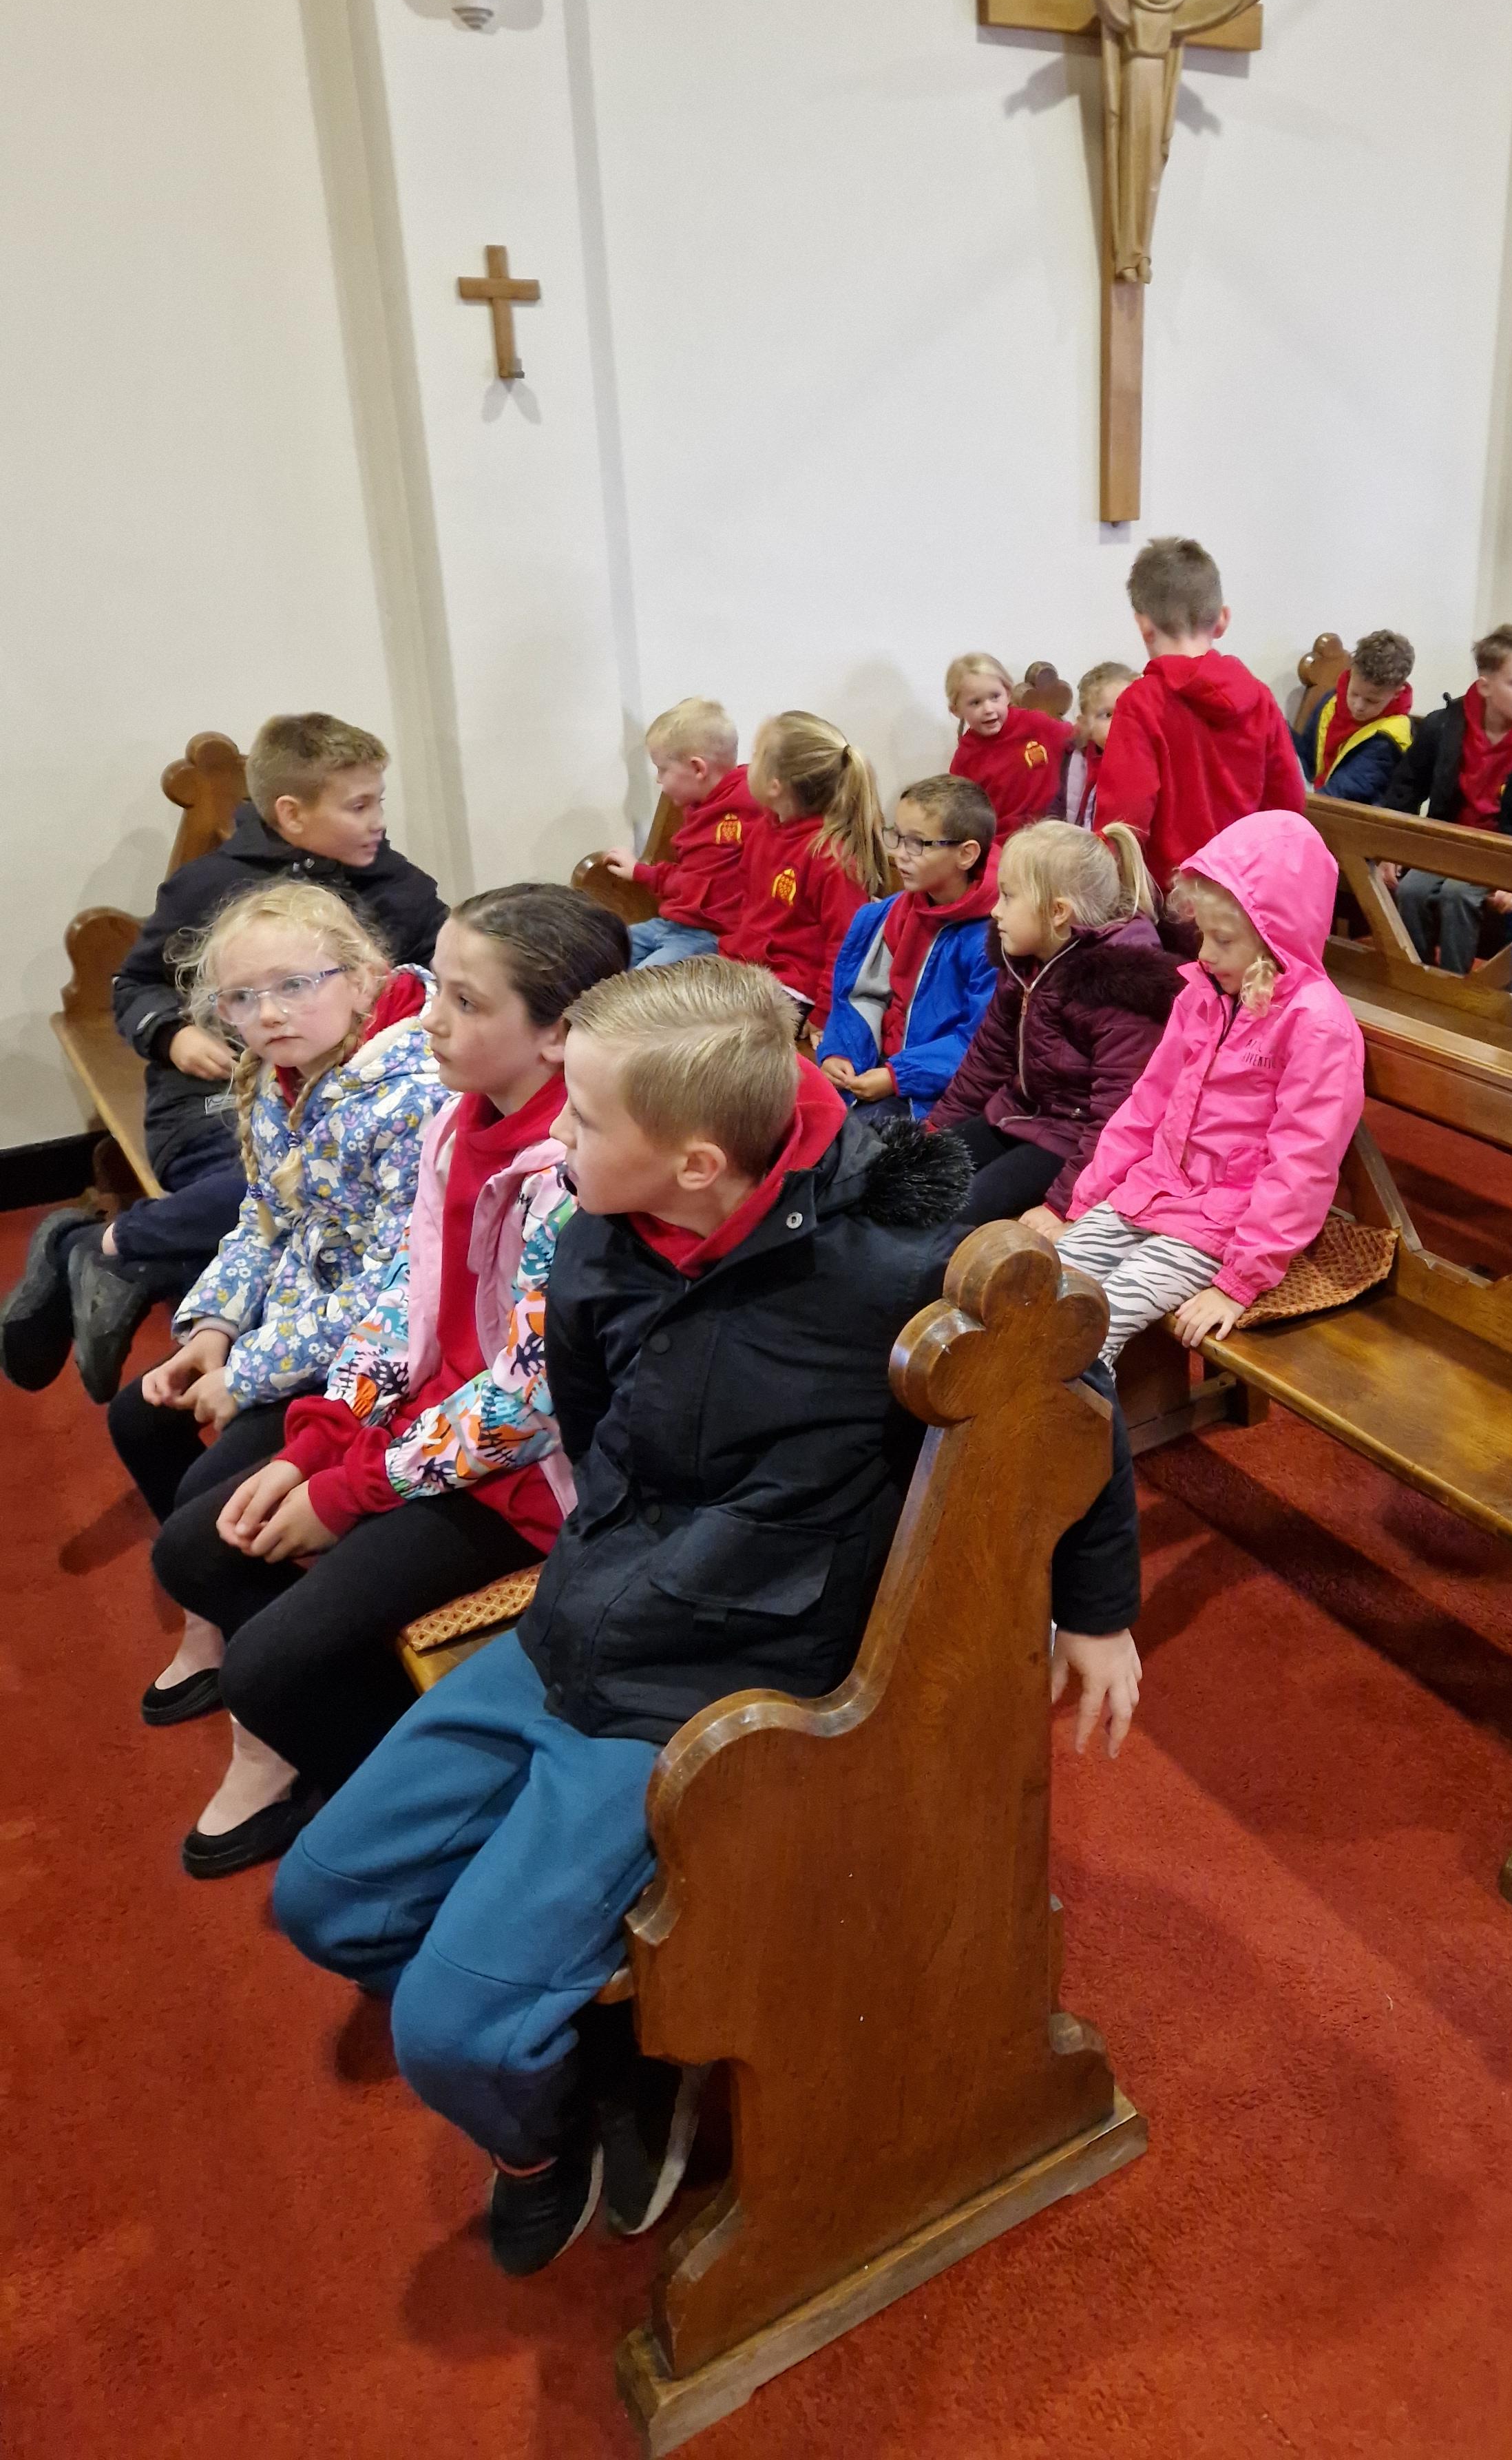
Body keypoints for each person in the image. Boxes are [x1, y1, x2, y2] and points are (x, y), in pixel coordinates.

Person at [273, 958, 1143, 2275]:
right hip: (580, 1626)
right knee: (323, 1900)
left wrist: (1098, 1612)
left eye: (582, 1119)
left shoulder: (898, 1266)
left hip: (725, 1675)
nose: (556, 1138)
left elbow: (1068, 1391)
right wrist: (611, 1573)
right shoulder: (599, 1234)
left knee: (450, 2033)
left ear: (694, 1163)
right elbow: (592, 1428)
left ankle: (547, 2131)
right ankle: (594, 2048)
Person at [143, 887, 629, 1881]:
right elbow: (406, 1304)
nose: (427, 1018)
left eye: (463, 1001)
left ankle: (421, 1830)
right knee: (199, 1548)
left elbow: (524, 1403)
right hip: (428, 1437)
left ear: (558, 1033)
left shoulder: (573, 1169)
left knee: (269, 1665)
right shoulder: (459, 1119)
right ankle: (356, 1743)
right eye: (435, 988)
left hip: (528, 1483)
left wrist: (348, 1489)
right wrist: (324, 1438)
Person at [106, 883, 444, 1828]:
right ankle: (217, 1627)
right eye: (241, 999)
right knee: (140, 1413)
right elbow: (264, 1216)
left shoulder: (411, 1091)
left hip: (371, 1352)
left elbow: (393, 1285)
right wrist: (212, 1328)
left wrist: (247, 1374)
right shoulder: (278, 1074)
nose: (268, 1014)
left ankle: (273, 1727)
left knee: (208, 1504)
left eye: (295, 984)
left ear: (362, 976)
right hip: (296, 1325)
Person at [1, 712, 443, 1405]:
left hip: (349, 1094)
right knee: (263, 1189)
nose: (378, 822)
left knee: (308, 1189)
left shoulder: (400, 889)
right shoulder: (209, 886)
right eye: (360, 806)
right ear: (291, 813)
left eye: (378, 801)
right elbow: (134, 984)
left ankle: (113, 1254)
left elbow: (439, 983)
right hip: (217, 1093)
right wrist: (173, 1034)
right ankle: (155, 1293)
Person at [1028, 810, 1366, 1361]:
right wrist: (1084, 1204)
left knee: (1091, 1327)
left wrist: (1240, 1281)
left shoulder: (1316, 1025)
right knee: (1040, 1291)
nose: (1205, 954)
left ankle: (1077, 1416)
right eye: (1203, 934)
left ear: (1276, 937)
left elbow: (1301, 1164)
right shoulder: (1203, 995)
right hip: (1150, 1193)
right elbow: (1146, 1106)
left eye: (1224, 940)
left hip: (1223, 1228)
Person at [932, 820, 1177, 1222]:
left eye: (1008, 896)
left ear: (1058, 912)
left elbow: (1116, 1118)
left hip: (1070, 1144)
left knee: (960, 1213)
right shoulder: (1024, 963)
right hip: (1015, 1114)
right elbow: (985, 1061)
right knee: (920, 1172)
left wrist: (1062, 1205)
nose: (995, 910)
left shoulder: (1121, 991)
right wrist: (936, 1129)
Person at [1094, 536, 1307, 888]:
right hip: (1244, 897)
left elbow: (1124, 822)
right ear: (1222, 619)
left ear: (1144, 626)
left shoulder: (1141, 703)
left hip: (1171, 899)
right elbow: (1287, 807)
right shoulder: (1260, 698)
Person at [1379, 624, 1512, 974]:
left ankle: (1460, 986)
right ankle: (1417, 978)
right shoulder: (1446, 726)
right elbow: (1407, 785)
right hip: (1450, 840)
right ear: (1485, 686)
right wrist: (1390, 848)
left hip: (1505, 851)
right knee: (1411, 890)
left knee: (1457, 895)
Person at [817, 775, 1000, 1124]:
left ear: (966, 854)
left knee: (848, 1144)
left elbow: (981, 1042)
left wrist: (897, 1077)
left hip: (933, 1092)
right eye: (897, 837)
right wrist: (841, 1052)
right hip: (878, 1069)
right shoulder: (888, 915)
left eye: (917, 843)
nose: (899, 854)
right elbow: (857, 997)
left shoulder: (994, 937)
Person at [718, 710, 892, 1037]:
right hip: (746, 968)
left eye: (756, 755)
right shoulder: (765, 828)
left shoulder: (830, 858)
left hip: (792, 988)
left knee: (704, 1034)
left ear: (775, 786)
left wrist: (825, 1011)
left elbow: (846, 943)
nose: (747, 763)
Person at [596, 698, 757, 969]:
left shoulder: (752, 801)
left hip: (707, 937)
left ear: (698, 769)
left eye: (662, 769)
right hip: (670, 924)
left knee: (639, 987)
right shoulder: (697, 805)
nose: (658, 779)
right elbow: (689, 878)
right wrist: (640, 871)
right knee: (592, 951)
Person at [945, 654, 1061, 843]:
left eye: (995, 697)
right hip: (1001, 844)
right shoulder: (965, 759)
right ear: (956, 710)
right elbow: (963, 816)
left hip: (1054, 835)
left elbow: (1079, 740)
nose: (988, 709)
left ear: (1008, 693)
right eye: (975, 703)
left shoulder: (1036, 725)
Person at [1296, 630, 1416, 804]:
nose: (1358, 706)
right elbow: (1307, 757)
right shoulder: (1332, 701)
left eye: (1371, 701)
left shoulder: (1391, 736)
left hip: (1348, 811)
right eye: (1354, 693)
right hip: (1317, 797)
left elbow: (1348, 788)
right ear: (1350, 673)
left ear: (1397, 693)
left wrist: (1302, 806)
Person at [1056, 661, 1137, 827]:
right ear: (1086, 724)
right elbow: (1058, 808)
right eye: (1108, 715)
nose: (1120, 721)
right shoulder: (1074, 758)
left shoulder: (1149, 761)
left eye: (1129, 710)